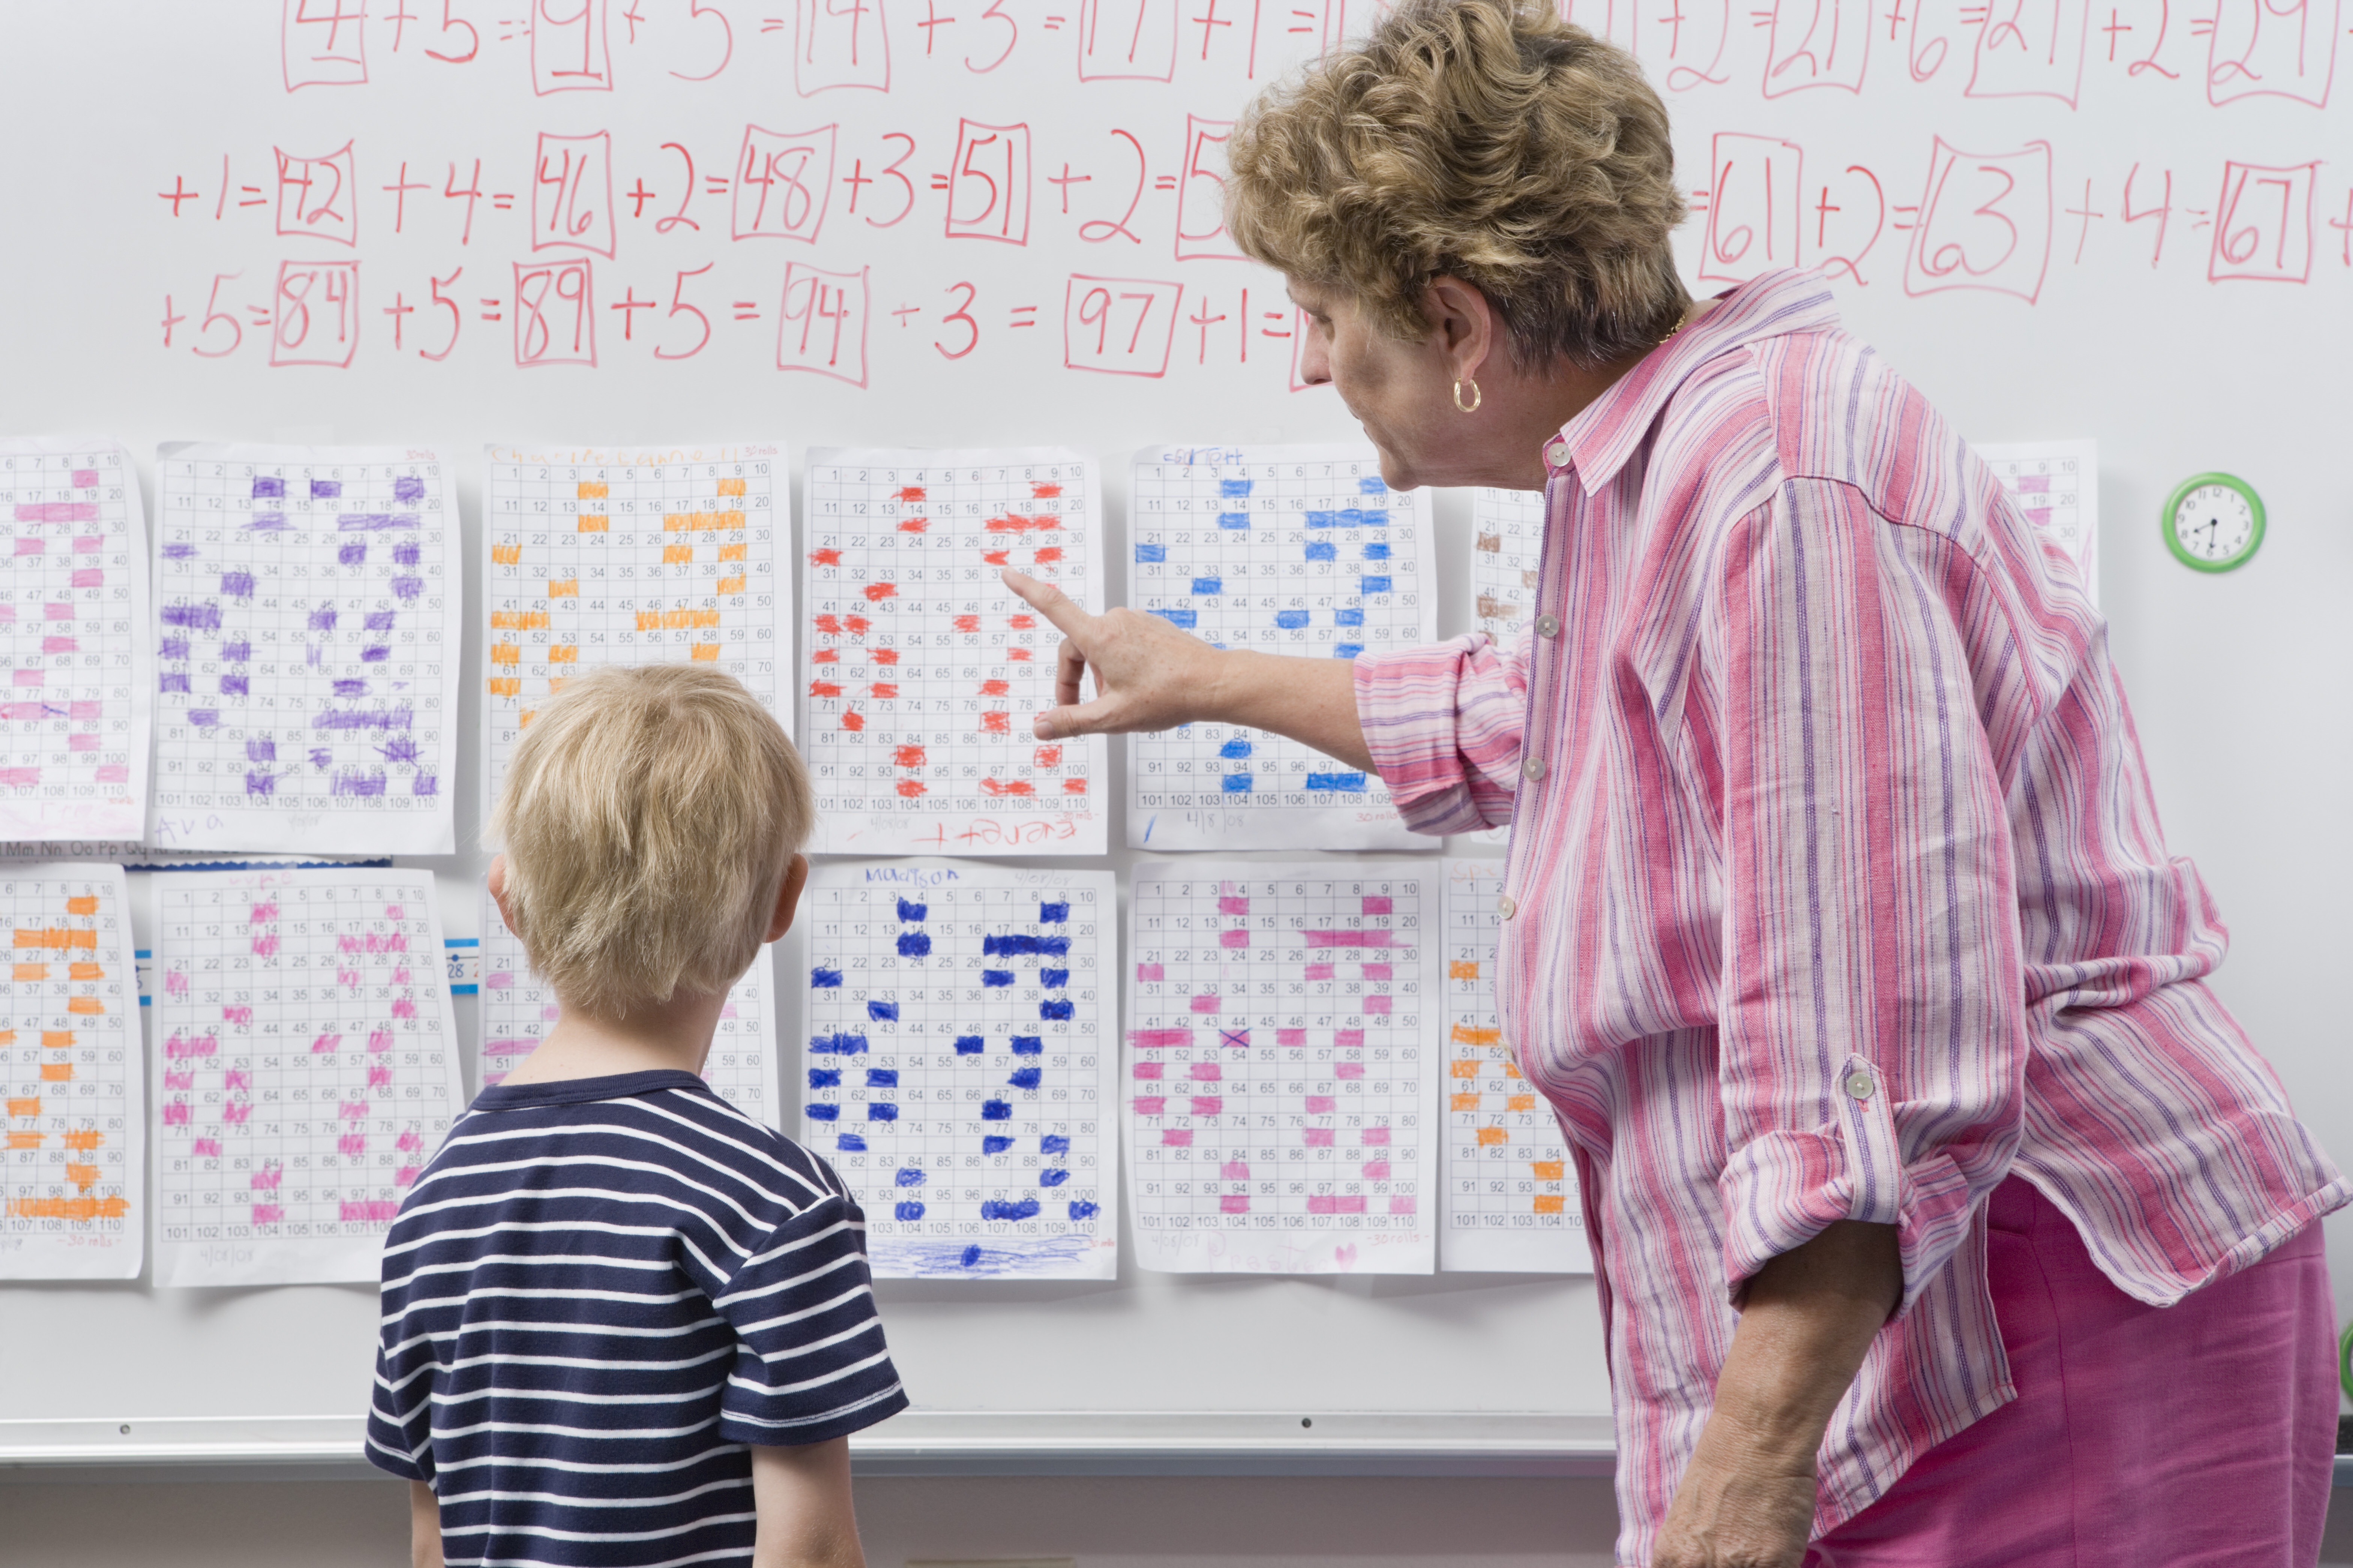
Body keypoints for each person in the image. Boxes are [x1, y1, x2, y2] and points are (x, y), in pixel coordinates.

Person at [1002, 2, 2347, 1563]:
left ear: (1454, 324)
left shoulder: (1772, 478)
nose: (1305, 362)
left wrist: (1744, 1470)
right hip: (1924, 1308)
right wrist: (1209, 679)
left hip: (2026, 1311)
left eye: (1315, 312)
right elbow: (1564, 725)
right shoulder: (1664, 466)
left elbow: (1867, 1030)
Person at [366, 665, 905, 1568]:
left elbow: (434, 1542)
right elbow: (807, 1553)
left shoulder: (439, 1191)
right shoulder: (773, 1198)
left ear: (506, 897)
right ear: (783, 899)